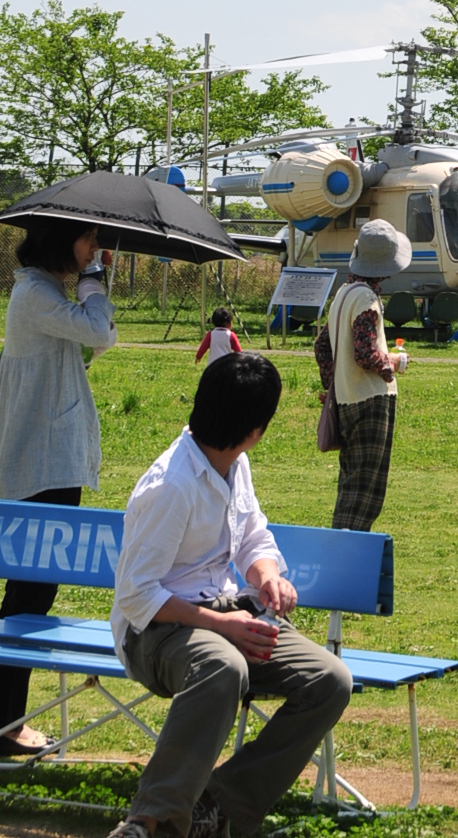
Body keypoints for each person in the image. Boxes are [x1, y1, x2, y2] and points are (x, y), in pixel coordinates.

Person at [107, 351, 352, 838]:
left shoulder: (231, 464)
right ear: (255, 431)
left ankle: (216, 808)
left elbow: (251, 536)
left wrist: (266, 578)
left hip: (226, 613)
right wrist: (223, 625)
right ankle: (150, 822)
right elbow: (137, 596)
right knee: (224, 665)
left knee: (330, 680)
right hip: (156, 633)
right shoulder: (172, 486)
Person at [0, 218, 117, 754]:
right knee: (27, 599)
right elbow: (99, 331)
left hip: (49, 462)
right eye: (89, 242)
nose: (96, 250)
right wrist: (95, 285)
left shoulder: (45, 294)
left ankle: (1, 720)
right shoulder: (35, 293)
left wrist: (91, 300)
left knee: (31, 596)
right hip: (41, 466)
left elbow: (95, 342)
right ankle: (2, 725)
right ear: (62, 243)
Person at [314, 219, 411, 530]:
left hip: (345, 398)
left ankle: (340, 546)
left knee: (350, 483)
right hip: (370, 401)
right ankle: (348, 553)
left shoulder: (342, 294)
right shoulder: (367, 300)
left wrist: (333, 383)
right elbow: (366, 353)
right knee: (366, 491)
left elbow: (322, 347)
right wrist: (393, 364)